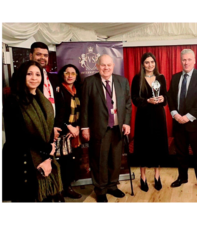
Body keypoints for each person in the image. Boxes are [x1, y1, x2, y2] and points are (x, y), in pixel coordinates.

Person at [3, 61, 63, 202]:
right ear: (22, 76)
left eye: (37, 74)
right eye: (29, 74)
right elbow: (19, 135)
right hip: (21, 160)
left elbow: (47, 131)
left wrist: (48, 157)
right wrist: (48, 149)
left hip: (44, 157)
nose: (34, 78)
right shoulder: (13, 101)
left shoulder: (43, 100)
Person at [80, 54, 132, 202]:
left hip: (117, 128)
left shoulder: (122, 81)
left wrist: (126, 122)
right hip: (99, 128)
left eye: (109, 65)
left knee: (115, 160)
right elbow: (84, 107)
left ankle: (112, 186)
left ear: (113, 66)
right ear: (97, 66)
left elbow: (128, 104)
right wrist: (84, 127)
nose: (106, 68)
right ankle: (101, 189)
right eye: (103, 65)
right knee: (99, 160)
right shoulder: (90, 82)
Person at [167, 49, 197, 192]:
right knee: (181, 153)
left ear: (194, 60)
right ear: (181, 61)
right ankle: (182, 177)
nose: (186, 62)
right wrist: (174, 113)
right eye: (184, 60)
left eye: (189, 59)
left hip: (195, 124)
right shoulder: (175, 77)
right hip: (178, 123)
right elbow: (170, 97)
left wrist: (188, 116)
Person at [131, 52, 168, 192]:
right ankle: (143, 177)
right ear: (142, 64)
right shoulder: (137, 79)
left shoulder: (161, 77)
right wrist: (147, 100)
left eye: (152, 62)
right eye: (147, 62)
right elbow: (134, 99)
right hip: (143, 117)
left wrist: (163, 99)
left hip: (158, 115)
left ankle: (157, 176)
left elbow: (166, 96)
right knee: (143, 146)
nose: (150, 65)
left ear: (155, 63)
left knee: (157, 145)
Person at [55, 64, 83, 199]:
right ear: (63, 74)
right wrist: (68, 126)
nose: (70, 76)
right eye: (67, 73)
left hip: (75, 132)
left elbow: (81, 112)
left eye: (73, 73)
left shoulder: (78, 91)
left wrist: (77, 127)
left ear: (77, 76)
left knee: (71, 162)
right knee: (61, 162)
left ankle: (68, 187)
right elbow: (56, 114)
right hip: (62, 131)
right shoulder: (58, 90)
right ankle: (59, 190)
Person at [29, 42, 64, 142]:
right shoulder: (24, 77)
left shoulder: (54, 77)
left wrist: (57, 126)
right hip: (37, 131)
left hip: (54, 128)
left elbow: (61, 104)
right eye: (38, 54)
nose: (42, 58)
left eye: (45, 55)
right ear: (31, 56)